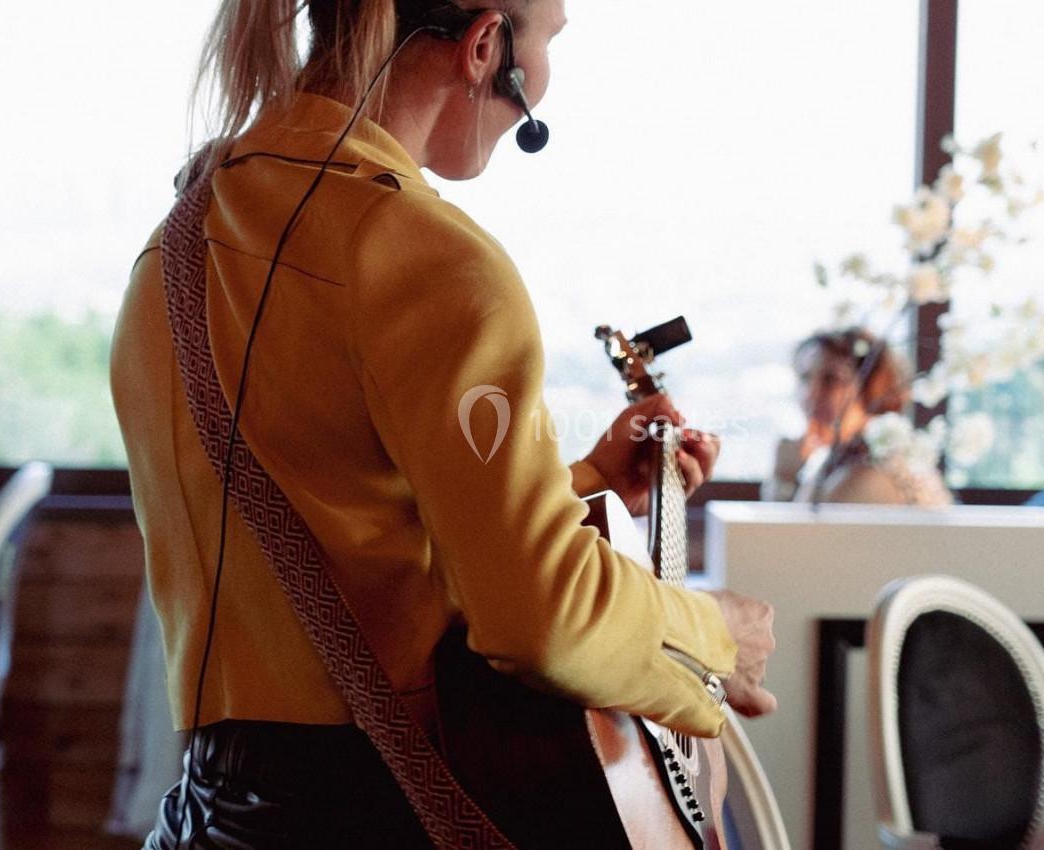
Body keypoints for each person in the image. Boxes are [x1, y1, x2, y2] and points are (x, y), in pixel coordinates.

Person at [109, 0, 777, 847]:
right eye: (551, 39)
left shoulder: (174, 245)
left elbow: (343, 507)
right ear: (487, 46)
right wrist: (714, 634)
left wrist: (589, 482)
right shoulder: (426, 254)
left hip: (208, 813)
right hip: (386, 810)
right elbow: (542, 617)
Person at [764, 327, 952, 506]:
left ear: (874, 388)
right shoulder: (842, 459)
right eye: (804, 377)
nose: (810, 394)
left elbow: (798, 529)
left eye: (831, 379)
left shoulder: (871, 475)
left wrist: (784, 479)